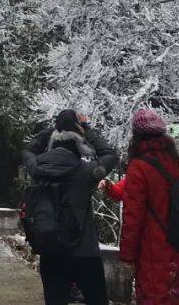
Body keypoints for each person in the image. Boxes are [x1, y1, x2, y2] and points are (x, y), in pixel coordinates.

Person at [22, 109, 119, 305]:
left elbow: (28, 150)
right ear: (79, 145)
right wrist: (85, 129)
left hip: (51, 252)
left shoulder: (38, 169)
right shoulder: (86, 172)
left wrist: (55, 128)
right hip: (84, 253)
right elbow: (110, 154)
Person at [118, 109, 179, 305]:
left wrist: (127, 257)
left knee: (159, 297)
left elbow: (132, 217)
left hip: (157, 254)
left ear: (136, 137)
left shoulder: (139, 167)